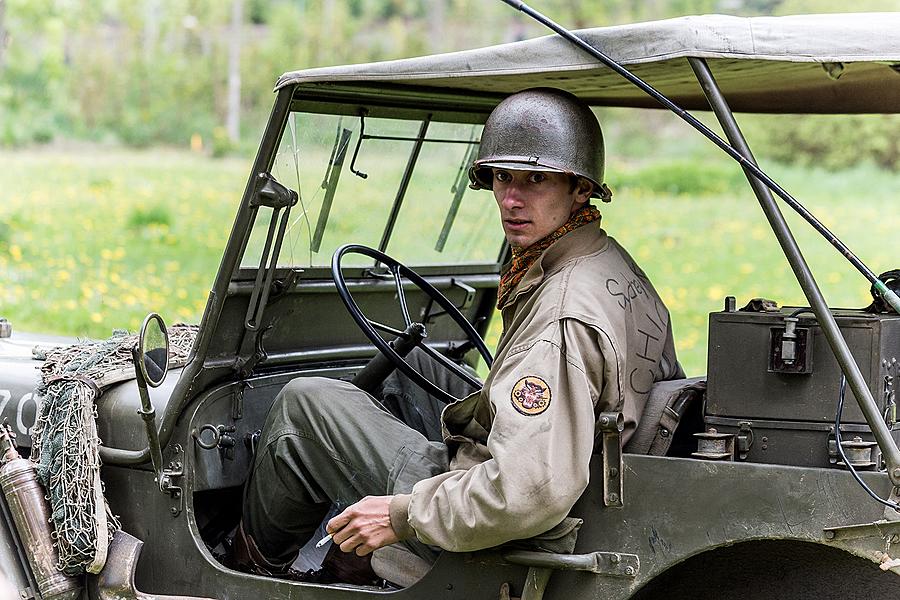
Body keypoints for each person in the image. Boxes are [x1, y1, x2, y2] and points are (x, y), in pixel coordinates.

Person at [234, 87, 683, 579]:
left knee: (306, 404)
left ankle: (251, 576)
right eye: (501, 177)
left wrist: (401, 514)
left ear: (579, 188)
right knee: (415, 364)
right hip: (579, 470)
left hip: (510, 521)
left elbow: (527, 489)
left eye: (536, 180)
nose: (511, 199)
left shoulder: (560, 319)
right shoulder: (605, 262)